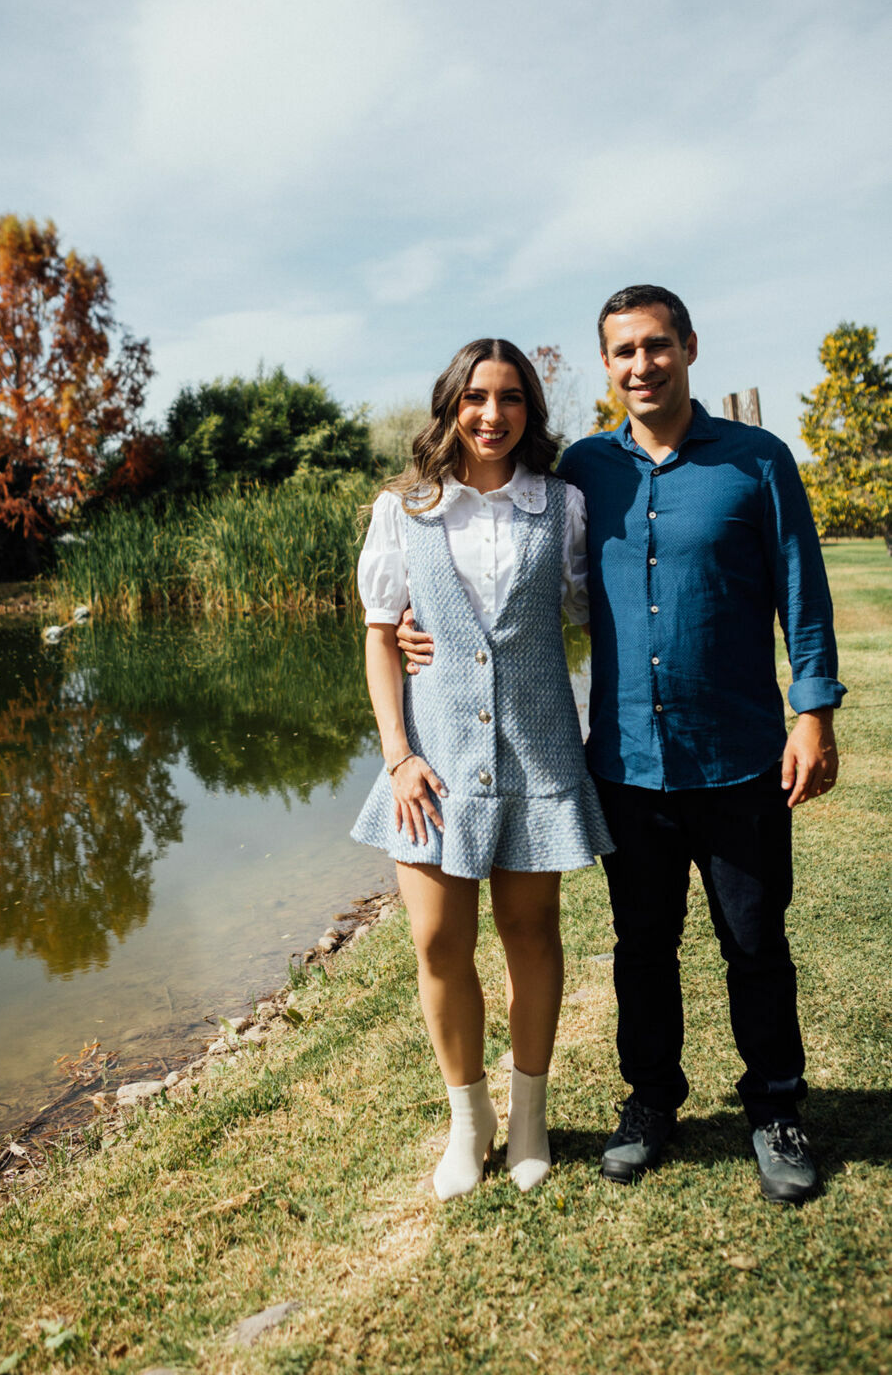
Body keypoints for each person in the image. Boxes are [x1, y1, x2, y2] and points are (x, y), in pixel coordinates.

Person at [400, 288, 843, 1205]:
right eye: (621, 352)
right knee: (643, 946)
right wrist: (416, 620)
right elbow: (499, 570)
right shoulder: (583, 478)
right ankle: (650, 1103)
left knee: (754, 943)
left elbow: (801, 594)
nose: (640, 365)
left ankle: (774, 1108)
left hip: (739, 754)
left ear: (686, 347)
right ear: (605, 367)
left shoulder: (756, 461)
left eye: (655, 346)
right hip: (625, 764)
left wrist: (812, 713)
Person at [351, 337, 613, 1201]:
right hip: (434, 765)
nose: (490, 415)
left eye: (508, 398)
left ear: (529, 412)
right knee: (436, 942)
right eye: (474, 398)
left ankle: (529, 1117)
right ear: (450, 407)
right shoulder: (405, 510)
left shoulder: (564, 506)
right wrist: (397, 756)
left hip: (535, 755)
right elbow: (382, 635)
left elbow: (588, 614)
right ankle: (470, 1125)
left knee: (532, 936)